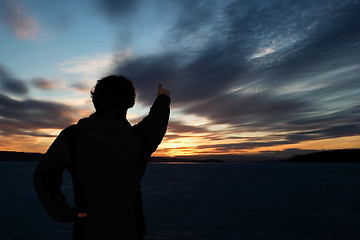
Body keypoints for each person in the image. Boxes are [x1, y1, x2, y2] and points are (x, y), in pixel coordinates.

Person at [33, 75, 171, 240]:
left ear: (95, 101)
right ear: (130, 103)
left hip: (87, 232)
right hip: (129, 232)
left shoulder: (73, 137)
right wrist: (163, 97)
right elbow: (157, 120)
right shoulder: (139, 139)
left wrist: (65, 213)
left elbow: (44, 176)